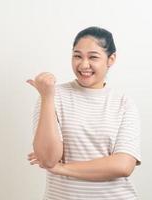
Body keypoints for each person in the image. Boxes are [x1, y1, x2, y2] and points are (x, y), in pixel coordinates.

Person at [26, 26, 141, 200]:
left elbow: (123, 166)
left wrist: (62, 168)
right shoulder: (52, 96)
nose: (83, 64)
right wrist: (47, 97)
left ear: (111, 59)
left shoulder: (123, 103)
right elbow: (48, 159)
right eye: (77, 56)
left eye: (93, 57)